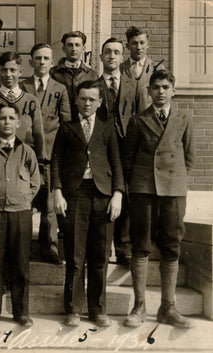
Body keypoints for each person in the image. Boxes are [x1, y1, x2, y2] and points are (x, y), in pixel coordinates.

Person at [123, 70, 194, 329]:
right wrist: (137, 185)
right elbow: (128, 158)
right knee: (141, 244)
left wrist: (176, 181)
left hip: (173, 190)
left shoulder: (185, 118)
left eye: (165, 87)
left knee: (172, 245)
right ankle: (139, 305)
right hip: (144, 189)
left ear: (173, 90)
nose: (161, 92)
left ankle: (168, 306)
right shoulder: (138, 121)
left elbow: (189, 156)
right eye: (156, 87)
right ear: (149, 91)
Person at [52, 80, 124, 327]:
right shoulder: (66, 129)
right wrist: (58, 192)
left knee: (100, 255)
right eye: (83, 98)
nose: (87, 103)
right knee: (74, 255)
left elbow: (116, 164)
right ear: (76, 100)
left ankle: (98, 309)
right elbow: (56, 162)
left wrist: (118, 194)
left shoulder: (107, 129)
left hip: (103, 196)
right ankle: (72, 308)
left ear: (100, 102)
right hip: (75, 195)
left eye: (92, 99)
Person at [0, 102, 40, 328]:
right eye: (2, 118)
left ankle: (21, 312)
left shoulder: (27, 152)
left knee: (21, 264)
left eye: (11, 118)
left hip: (20, 213)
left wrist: (22, 199)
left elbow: (35, 182)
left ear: (18, 123)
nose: (7, 122)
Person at [21, 43, 71, 264]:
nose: (41, 62)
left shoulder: (60, 89)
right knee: (24, 200)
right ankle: (21, 246)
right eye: (37, 58)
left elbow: (66, 122)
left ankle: (49, 247)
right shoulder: (22, 87)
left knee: (50, 204)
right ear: (30, 62)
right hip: (25, 153)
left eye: (46, 58)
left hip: (50, 153)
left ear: (52, 62)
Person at [97, 37, 139, 266]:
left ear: (122, 57)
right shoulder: (94, 86)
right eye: (107, 52)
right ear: (101, 56)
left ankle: (124, 247)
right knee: (105, 192)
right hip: (102, 147)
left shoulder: (134, 85)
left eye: (116, 52)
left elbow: (141, 117)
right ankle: (104, 247)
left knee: (127, 194)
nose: (111, 56)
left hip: (127, 145)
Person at [0, 51, 44, 159]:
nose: (8, 75)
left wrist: (39, 162)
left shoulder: (32, 101)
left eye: (13, 70)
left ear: (20, 72)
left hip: (24, 159)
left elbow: (39, 136)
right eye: (4, 70)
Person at [50, 31, 98, 118]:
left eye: (77, 45)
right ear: (64, 49)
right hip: (60, 122)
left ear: (83, 48)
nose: (74, 49)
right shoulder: (53, 73)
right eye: (70, 45)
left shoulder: (92, 75)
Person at [121, 26, 165, 113]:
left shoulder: (158, 69)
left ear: (148, 45)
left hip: (149, 120)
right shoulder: (120, 69)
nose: (138, 47)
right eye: (134, 43)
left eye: (142, 43)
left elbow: (164, 98)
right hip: (125, 122)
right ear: (127, 46)